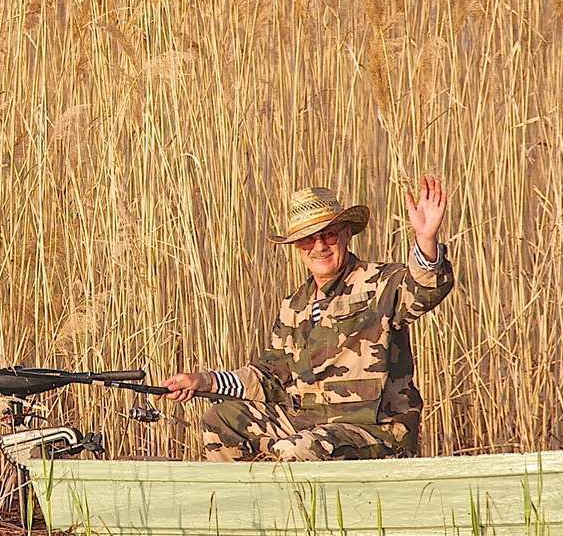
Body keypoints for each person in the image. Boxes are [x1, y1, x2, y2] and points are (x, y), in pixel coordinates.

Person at [161, 176, 454, 462]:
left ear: (346, 234)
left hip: (374, 430)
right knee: (220, 420)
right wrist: (205, 380)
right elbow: (269, 376)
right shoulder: (294, 306)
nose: (319, 247)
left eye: (328, 235)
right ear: (296, 247)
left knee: (296, 449)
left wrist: (426, 243)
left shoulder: (380, 283)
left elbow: (425, 289)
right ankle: (245, 506)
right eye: (306, 240)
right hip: (309, 424)